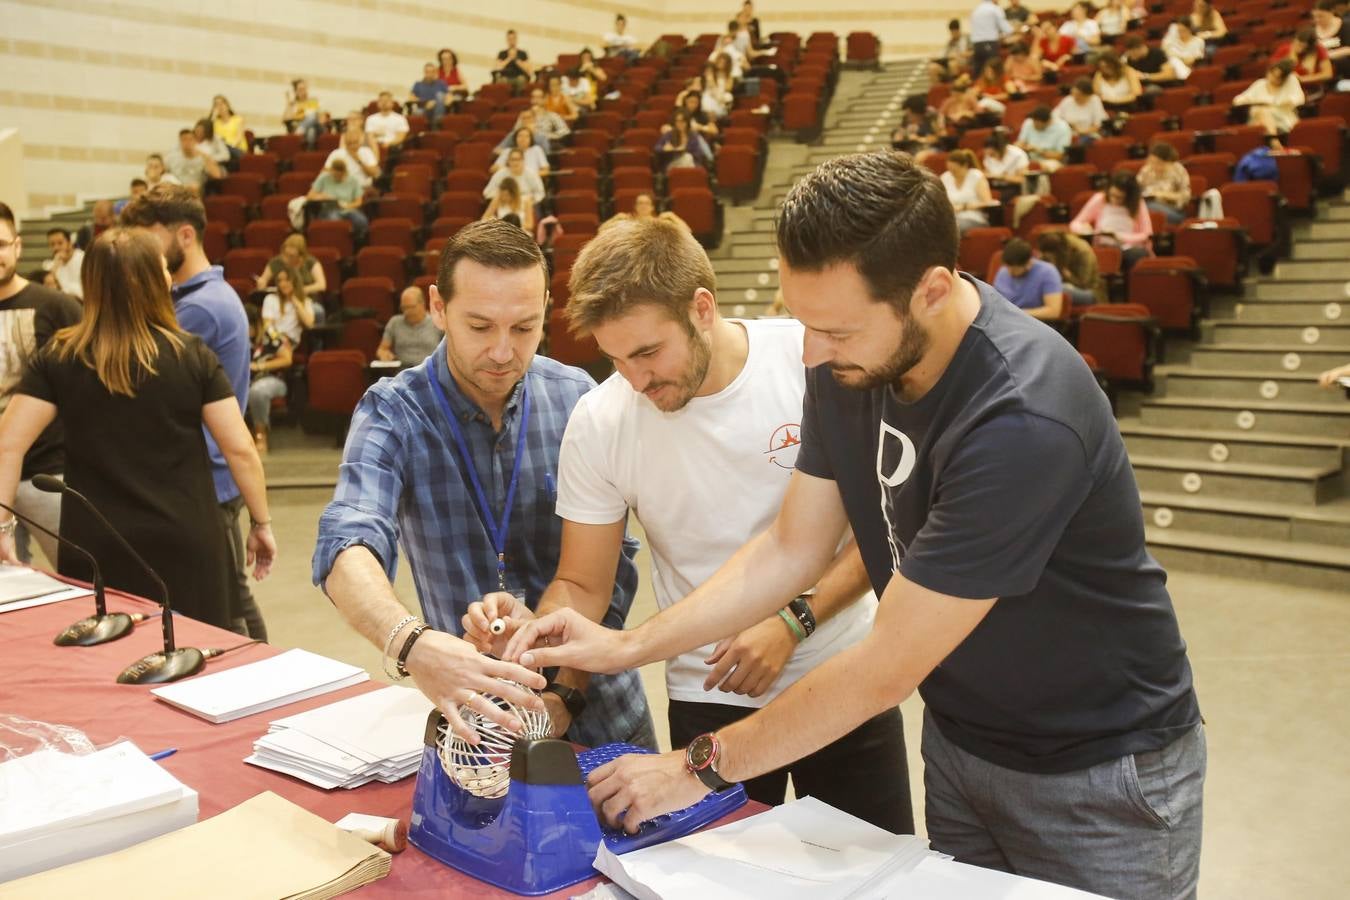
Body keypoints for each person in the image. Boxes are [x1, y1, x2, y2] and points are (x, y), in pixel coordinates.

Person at [504, 152, 1205, 900]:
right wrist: (624, 644)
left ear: (931, 291)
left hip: (1097, 771)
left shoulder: (1020, 419)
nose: (810, 353)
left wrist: (692, 766)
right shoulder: (845, 364)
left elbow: (885, 665)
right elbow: (790, 546)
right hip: (965, 743)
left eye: (834, 330)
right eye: (804, 323)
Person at [463, 216, 912, 832]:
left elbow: (878, 531)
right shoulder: (601, 420)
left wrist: (794, 618)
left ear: (702, 308)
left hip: (840, 678)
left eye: (648, 352)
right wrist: (539, 631)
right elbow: (585, 583)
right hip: (708, 693)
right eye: (617, 359)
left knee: (868, 874)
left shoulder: (812, 363)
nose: (637, 380)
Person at [311, 219, 654, 749]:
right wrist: (414, 646)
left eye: (524, 327)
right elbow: (347, 542)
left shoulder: (577, 399)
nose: (501, 351)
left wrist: (565, 694)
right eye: (479, 326)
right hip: (481, 726)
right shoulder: (394, 413)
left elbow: (614, 571)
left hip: (605, 716)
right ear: (438, 307)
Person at [0, 227, 275, 631]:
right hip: (186, 539)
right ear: (153, 281)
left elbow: (8, 444)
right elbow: (240, 450)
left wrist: (3, 527)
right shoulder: (192, 355)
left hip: (96, 544)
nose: (168, 275)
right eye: (163, 268)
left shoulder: (59, 356)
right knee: (198, 663)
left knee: (109, 666)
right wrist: (261, 522)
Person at [120, 184, 265, 640]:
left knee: (228, 608)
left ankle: (264, 683)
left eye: (149, 238)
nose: (142, 251)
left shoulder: (199, 308)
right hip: (208, 474)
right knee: (229, 599)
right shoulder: (199, 298)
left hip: (209, 478)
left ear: (184, 235)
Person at [0, 202, 82, 568]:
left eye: (1, 244)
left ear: (17, 246)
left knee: (82, 574)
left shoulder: (57, 307)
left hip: (48, 474)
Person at [1071, 171, 1154, 270]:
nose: (1114, 200)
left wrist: (1121, 237)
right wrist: (1084, 229)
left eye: (1119, 198)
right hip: (1103, 246)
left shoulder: (1138, 204)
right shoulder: (1100, 198)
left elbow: (1147, 234)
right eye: (1112, 195)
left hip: (1128, 247)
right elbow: (1075, 223)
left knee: (1135, 255)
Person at [245, 303, 292, 453]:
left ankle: (261, 434)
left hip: (272, 379)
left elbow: (287, 359)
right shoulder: (237, 335)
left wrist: (259, 366)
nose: (247, 331)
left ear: (257, 323)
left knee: (257, 392)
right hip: (246, 380)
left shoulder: (271, 334)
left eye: (250, 326)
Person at [993, 237, 1064, 320]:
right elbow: (994, 302)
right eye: (1008, 267)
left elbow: (1053, 311)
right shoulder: (1003, 271)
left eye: (1015, 269)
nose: (1010, 272)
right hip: (1005, 321)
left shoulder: (1047, 272)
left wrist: (1015, 313)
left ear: (1028, 264)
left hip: (1032, 323)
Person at [1235, 60, 1305, 136]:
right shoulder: (1260, 84)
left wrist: (1289, 102)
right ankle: (1273, 142)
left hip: (1283, 119)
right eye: (1272, 74)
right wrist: (1245, 101)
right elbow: (1238, 100)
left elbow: (1299, 99)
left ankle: (1272, 140)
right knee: (1260, 113)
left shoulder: (1291, 81)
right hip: (1258, 119)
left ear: (1284, 79)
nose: (1273, 78)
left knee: (1262, 113)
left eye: (1278, 77)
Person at [377, 286, 443, 366]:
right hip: (402, 373)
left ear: (422, 304)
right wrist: (384, 354)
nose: (407, 312)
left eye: (411, 307)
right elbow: (382, 349)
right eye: (404, 308)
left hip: (430, 371)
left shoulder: (437, 322)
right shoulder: (395, 322)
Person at [307, 158, 368, 243]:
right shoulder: (324, 177)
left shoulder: (353, 180)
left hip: (347, 208)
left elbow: (358, 202)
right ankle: (337, 242)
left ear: (345, 173)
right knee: (335, 220)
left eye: (340, 175)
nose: (337, 177)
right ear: (331, 171)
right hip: (328, 208)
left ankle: (356, 243)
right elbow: (310, 196)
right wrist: (322, 197)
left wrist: (346, 206)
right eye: (334, 175)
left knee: (361, 220)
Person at [1037, 230, 1104, 305]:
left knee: (1057, 289)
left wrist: (1068, 275)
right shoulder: (1052, 248)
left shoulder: (1082, 251)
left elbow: (1085, 284)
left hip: (1089, 291)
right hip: (1064, 285)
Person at [256, 233, 327, 300]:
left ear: (301, 256)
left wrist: (299, 291)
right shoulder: (275, 262)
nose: (287, 259)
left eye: (291, 256)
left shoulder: (311, 262)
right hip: (281, 301)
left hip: (308, 300)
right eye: (285, 254)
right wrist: (262, 283)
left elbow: (321, 285)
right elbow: (263, 280)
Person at [941, 150, 994, 235]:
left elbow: (988, 202)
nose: (952, 173)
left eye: (955, 170)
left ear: (965, 166)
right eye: (950, 169)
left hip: (974, 217)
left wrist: (963, 207)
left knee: (953, 227)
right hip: (951, 217)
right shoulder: (945, 177)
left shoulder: (976, 176)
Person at [1138, 142, 1192, 225]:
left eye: (1159, 163)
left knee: (1147, 207)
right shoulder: (1147, 170)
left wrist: (1164, 195)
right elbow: (1135, 189)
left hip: (1173, 210)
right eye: (1152, 162)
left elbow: (1186, 196)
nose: (1155, 166)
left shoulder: (1178, 170)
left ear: (1169, 162)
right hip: (1148, 205)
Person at [260, 264, 315, 346]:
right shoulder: (270, 299)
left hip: (291, 342)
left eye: (287, 280)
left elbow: (309, 324)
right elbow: (267, 325)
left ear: (295, 281)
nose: (282, 284)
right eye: (280, 281)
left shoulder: (305, 301)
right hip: (274, 339)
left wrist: (295, 301)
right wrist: (277, 337)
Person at [327, 114, 382, 191]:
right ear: (345, 138)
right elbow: (325, 173)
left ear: (360, 139)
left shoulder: (366, 152)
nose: (352, 143)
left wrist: (358, 160)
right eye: (350, 141)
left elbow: (375, 173)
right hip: (340, 187)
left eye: (354, 141)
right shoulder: (336, 153)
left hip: (362, 187)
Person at [163, 128, 223, 195]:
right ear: (180, 142)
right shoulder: (171, 158)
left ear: (195, 141)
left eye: (190, 139)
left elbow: (217, 175)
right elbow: (163, 174)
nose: (187, 142)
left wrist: (204, 156)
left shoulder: (203, 157)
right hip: (176, 191)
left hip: (195, 193)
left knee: (194, 187)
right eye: (184, 139)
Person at [1016, 104, 1073, 172]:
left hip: (1052, 161)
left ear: (1048, 122)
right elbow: (1020, 142)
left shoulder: (1063, 128)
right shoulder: (1029, 122)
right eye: (1033, 121)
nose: (1033, 125)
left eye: (1037, 123)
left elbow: (1060, 155)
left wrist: (1038, 150)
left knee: (1046, 167)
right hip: (1029, 159)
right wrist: (1018, 147)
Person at [890, 95, 945, 159]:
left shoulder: (933, 118)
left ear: (917, 113)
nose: (908, 117)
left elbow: (939, 138)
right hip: (912, 148)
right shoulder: (906, 120)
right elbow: (898, 138)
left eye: (910, 114)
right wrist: (899, 136)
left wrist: (918, 139)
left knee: (919, 156)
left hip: (932, 148)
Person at [1054, 79, 1108, 143]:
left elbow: (1099, 124)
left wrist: (1082, 132)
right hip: (1068, 134)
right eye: (1073, 93)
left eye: (1079, 94)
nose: (1075, 97)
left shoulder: (1095, 100)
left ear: (1087, 95)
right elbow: (1054, 117)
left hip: (1088, 135)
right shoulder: (1068, 100)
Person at [970, 0, 1013, 79]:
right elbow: (1007, 29)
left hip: (977, 45)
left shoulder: (976, 10)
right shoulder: (994, 9)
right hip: (989, 43)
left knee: (978, 71)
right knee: (994, 69)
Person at [1124, 34, 1189, 85]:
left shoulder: (1157, 54)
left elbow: (1170, 75)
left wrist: (1145, 76)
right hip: (1142, 86)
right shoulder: (1131, 59)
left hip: (1162, 85)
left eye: (1133, 53)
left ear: (1140, 48)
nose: (1132, 56)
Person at [283, 78, 324, 148]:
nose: (303, 92)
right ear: (295, 92)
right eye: (300, 89)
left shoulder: (312, 101)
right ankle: (309, 153)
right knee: (311, 130)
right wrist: (288, 104)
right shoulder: (294, 104)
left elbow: (320, 119)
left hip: (317, 127)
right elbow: (285, 119)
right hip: (305, 130)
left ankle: (301, 130)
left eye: (305, 89)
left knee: (312, 116)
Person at [44, 229, 84, 299]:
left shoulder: (83, 258)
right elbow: (48, 288)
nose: (56, 248)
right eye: (52, 244)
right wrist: (55, 266)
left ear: (69, 243)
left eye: (60, 243)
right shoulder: (50, 265)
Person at [409, 63, 450, 128]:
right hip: (424, 109)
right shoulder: (418, 84)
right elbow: (411, 98)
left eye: (432, 72)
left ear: (435, 73)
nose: (430, 74)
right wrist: (426, 103)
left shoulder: (441, 83)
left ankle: (437, 122)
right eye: (427, 72)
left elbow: (449, 98)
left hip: (439, 109)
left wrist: (436, 103)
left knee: (440, 95)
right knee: (417, 112)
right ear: (424, 72)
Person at [210, 95, 247, 161]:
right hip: (221, 152)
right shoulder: (215, 122)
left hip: (236, 150)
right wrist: (213, 117)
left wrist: (228, 147)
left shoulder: (238, 119)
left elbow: (238, 139)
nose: (219, 107)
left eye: (221, 104)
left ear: (227, 105)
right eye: (216, 105)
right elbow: (209, 135)